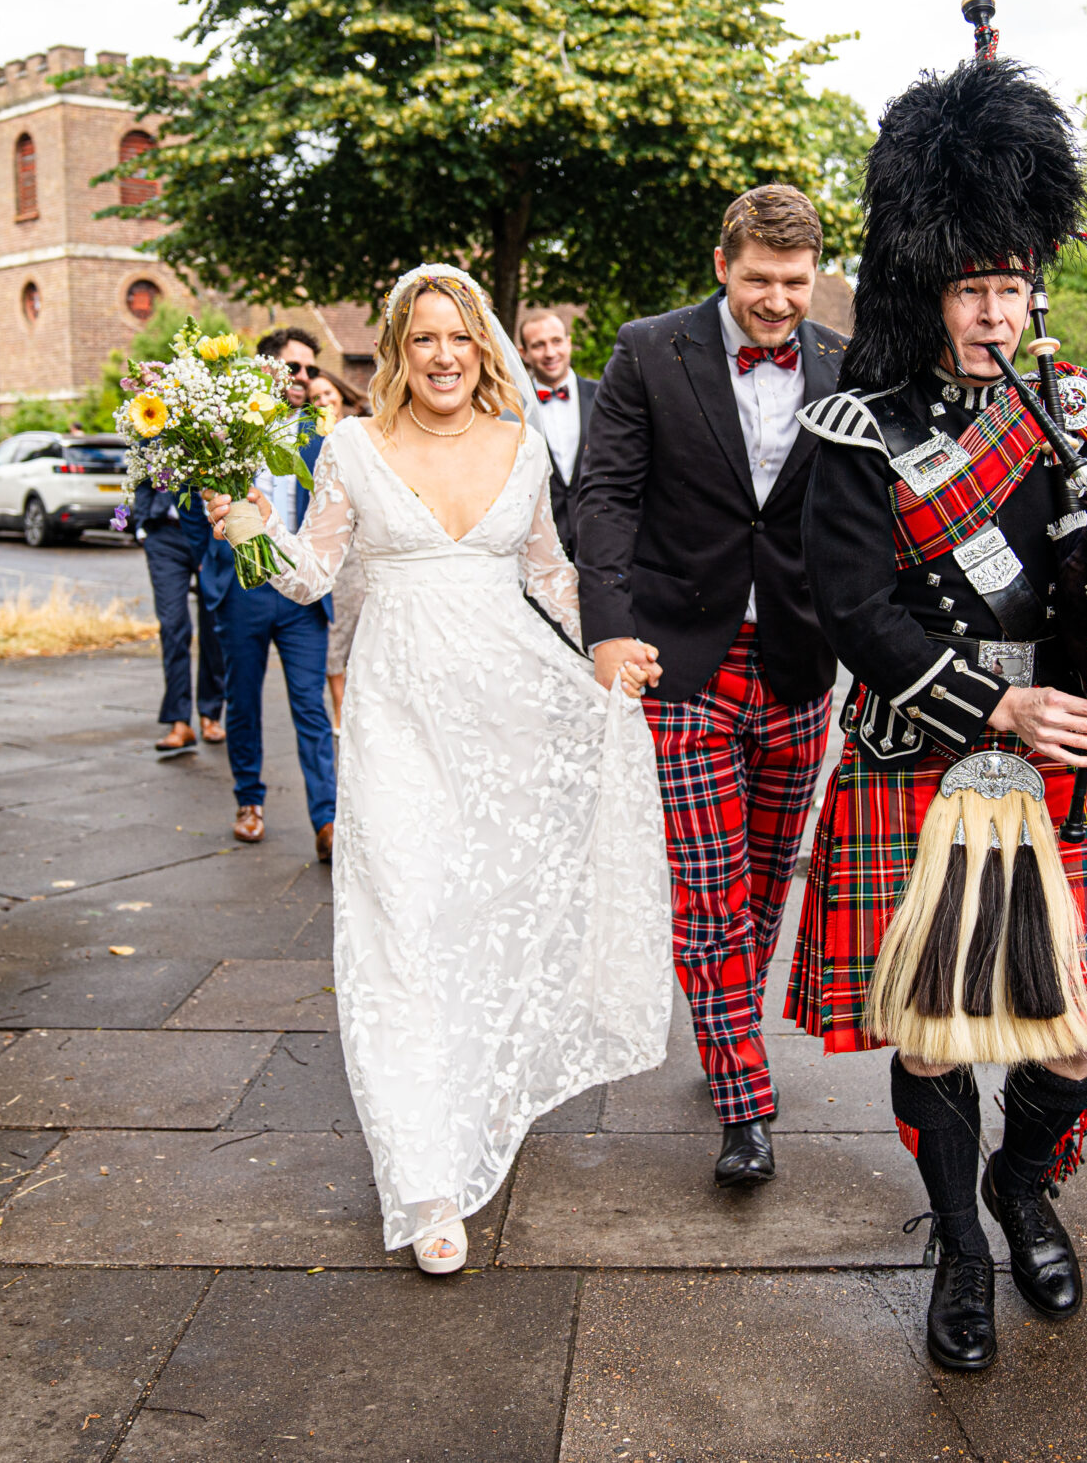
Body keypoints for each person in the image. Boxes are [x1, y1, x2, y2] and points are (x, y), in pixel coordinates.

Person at [789, 53, 1087, 1375]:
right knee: (939, 1031)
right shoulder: (856, 430)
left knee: (1081, 1031)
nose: (998, 314)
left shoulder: (1083, 416)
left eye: (1014, 285)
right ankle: (958, 1234)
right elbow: (856, 615)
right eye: (973, 287)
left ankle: (1023, 1181)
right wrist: (1003, 697)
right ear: (921, 284)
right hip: (923, 763)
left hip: (1067, 775)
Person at [208, 264, 672, 1276]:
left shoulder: (523, 444)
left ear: (484, 346)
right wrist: (247, 533)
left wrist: (608, 646)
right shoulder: (351, 448)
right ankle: (424, 1177)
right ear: (397, 351)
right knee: (400, 932)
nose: (445, 355)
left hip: (508, 718)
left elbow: (553, 575)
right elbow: (313, 576)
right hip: (396, 723)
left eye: (460, 336)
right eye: (423, 339)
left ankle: (478, 1096)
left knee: (485, 919)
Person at [573, 184, 845, 1192]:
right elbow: (605, 495)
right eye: (761, 280)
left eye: (795, 283)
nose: (778, 301)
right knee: (709, 897)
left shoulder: (842, 364)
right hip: (680, 659)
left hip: (798, 661)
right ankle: (745, 1102)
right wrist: (607, 631)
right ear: (721, 265)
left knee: (768, 881)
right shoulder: (650, 350)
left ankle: (720, 1011)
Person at [214, 326, 337, 855]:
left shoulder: (321, 441)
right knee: (242, 701)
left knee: (311, 707)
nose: (304, 378)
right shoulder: (225, 432)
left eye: (310, 370)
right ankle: (249, 800)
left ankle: (327, 821)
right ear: (266, 371)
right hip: (241, 589)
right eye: (294, 368)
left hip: (302, 596)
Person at [131, 474, 226, 753]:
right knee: (173, 625)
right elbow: (138, 473)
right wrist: (142, 525)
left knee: (214, 625)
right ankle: (178, 721)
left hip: (212, 533)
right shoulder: (151, 429)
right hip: (165, 535)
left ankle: (211, 715)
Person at [304, 366, 369, 725]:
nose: (323, 400)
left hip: (367, 546)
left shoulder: (365, 429)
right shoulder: (310, 442)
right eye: (315, 398)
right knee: (338, 629)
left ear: (341, 394)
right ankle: (340, 708)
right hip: (337, 548)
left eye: (328, 393)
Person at [517, 310, 598, 550]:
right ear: (524, 353)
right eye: (538, 345)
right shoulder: (513, 410)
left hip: (597, 542)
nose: (550, 353)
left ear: (569, 343)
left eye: (556, 341)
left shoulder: (604, 397)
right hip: (540, 546)